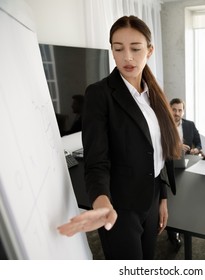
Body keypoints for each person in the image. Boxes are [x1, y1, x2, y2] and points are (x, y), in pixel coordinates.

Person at [57, 15, 181, 260]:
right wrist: (101, 201)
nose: (128, 57)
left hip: (152, 197)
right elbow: (95, 161)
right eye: (118, 49)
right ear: (111, 51)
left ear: (150, 50)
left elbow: (159, 149)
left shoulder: (153, 95)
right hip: (119, 207)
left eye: (136, 49)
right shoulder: (99, 94)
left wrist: (162, 197)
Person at [166, 98, 202, 251]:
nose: (177, 113)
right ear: (169, 109)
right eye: (174, 109)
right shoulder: (162, 124)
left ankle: (183, 226)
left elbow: (199, 143)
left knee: (184, 199)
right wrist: (177, 145)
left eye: (180, 110)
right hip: (167, 166)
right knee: (170, 201)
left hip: (187, 166)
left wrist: (196, 149)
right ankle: (173, 233)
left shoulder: (189, 125)